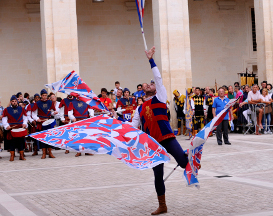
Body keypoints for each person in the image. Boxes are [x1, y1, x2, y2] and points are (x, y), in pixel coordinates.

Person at [116, 47, 191, 215]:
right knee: (158, 175)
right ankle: (162, 205)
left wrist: (151, 60)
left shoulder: (160, 96)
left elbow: (157, 78)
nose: (149, 84)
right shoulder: (139, 108)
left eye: (151, 84)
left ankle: (192, 158)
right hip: (153, 144)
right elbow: (131, 128)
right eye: (147, 84)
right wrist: (117, 120)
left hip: (167, 137)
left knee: (185, 162)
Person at [32, 89, 56, 159]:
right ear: (41, 96)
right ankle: (44, 153)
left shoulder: (50, 102)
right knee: (43, 138)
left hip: (48, 122)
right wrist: (37, 119)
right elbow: (34, 114)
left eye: (45, 95)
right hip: (41, 122)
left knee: (49, 138)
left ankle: (50, 153)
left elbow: (51, 112)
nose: (44, 97)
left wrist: (54, 113)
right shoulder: (37, 103)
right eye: (43, 95)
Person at [2, 95, 28, 161]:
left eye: (15, 101)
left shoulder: (21, 109)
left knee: (21, 142)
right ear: (10, 102)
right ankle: (12, 156)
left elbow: (25, 117)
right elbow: (4, 119)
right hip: (11, 129)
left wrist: (25, 124)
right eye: (12, 101)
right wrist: (6, 126)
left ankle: (21, 155)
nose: (14, 102)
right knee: (12, 142)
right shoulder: (6, 109)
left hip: (20, 128)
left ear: (17, 101)